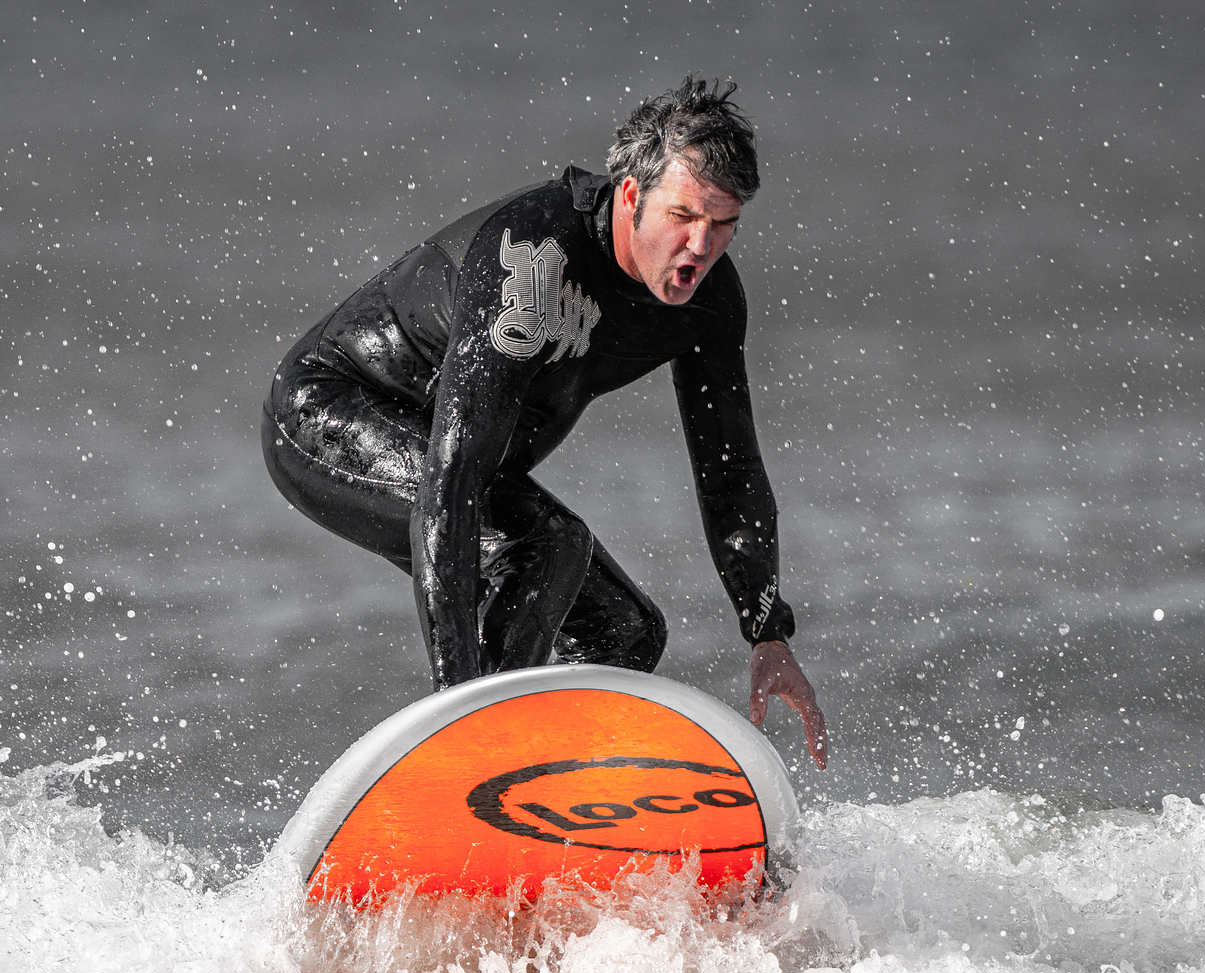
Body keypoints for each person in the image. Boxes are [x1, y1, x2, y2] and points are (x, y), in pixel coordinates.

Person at [260, 76, 826, 768]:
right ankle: (478, 764)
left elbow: (729, 468)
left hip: (454, 455)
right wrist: (457, 705)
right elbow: (455, 476)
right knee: (547, 544)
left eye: (724, 222)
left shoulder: (708, 305)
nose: (701, 245)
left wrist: (767, 631)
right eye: (683, 215)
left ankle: (552, 798)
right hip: (329, 410)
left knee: (625, 634)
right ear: (630, 195)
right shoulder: (531, 260)